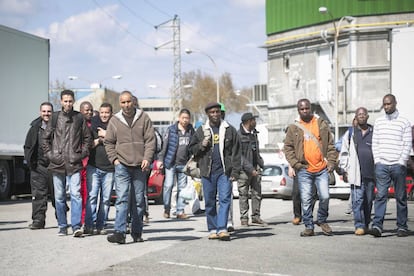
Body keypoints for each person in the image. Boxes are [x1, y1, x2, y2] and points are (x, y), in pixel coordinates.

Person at [105, 91, 156, 244]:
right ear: (120, 103)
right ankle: (119, 233)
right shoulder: (115, 120)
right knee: (122, 199)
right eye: (123, 102)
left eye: (128, 102)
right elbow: (108, 142)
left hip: (140, 166)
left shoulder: (144, 118)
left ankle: (137, 232)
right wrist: (114, 160)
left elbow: (150, 140)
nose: (126, 105)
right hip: (122, 166)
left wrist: (147, 158)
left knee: (139, 201)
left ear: (133, 102)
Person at [283, 98, 337, 237]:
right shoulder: (293, 127)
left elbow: (331, 145)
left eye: (307, 108)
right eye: (302, 109)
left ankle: (322, 219)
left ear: (311, 108)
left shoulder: (321, 124)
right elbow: (288, 148)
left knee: (325, 196)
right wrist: (295, 164)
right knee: (306, 200)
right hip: (304, 170)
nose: (305, 111)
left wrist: (331, 162)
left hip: (322, 168)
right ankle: (308, 226)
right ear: (298, 110)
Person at [42, 90, 92, 237]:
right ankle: (62, 226)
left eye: (70, 101)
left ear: (73, 101)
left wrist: (80, 154)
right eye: (65, 101)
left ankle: (76, 226)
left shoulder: (79, 118)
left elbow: (88, 139)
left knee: (76, 195)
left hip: (74, 163)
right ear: (61, 101)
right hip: (57, 163)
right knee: (59, 196)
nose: (68, 103)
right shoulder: (55, 117)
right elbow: (45, 139)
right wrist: (51, 155)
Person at [189, 102, 241, 241]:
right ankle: (212, 229)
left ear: (221, 113)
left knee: (224, 199)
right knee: (210, 201)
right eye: (212, 112)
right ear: (208, 114)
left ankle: (222, 228)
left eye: (217, 112)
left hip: (224, 171)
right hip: (207, 171)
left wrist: (235, 171)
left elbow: (236, 152)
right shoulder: (201, 131)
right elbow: (192, 149)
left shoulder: (229, 129)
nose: (215, 114)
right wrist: (201, 145)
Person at [370, 94, 412, 237]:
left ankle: (402, 227)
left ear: (395, 103)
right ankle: (377, 226)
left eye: (389, 104)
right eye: (385, 104)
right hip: (382, 165)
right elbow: (375, 143)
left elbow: (407, 144)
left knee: (400, 197)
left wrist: (401, 161)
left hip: (398, 165)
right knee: (381, 195)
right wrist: (378, 160)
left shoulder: (404, 122)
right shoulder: (379, 122)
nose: (386, 107)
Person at [338, 107, 375, 235]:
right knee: (357, 201)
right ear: (356, 116)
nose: (361, 116)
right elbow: (344, 152)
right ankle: (359, 225)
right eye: (359, 114)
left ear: (367, 116)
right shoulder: (351, 133)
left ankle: (366, 224)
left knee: (368, 201)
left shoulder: (374, 131)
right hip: (356, 173)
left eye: (363, 114)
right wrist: (344, 169)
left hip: (371, 173)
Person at [158, 108, 195, 219]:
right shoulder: (171, 130)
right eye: (183, 118)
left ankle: (180, 211)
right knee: (168, 186)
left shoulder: (191, 131)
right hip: (171, 163)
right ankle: (167, 208)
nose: (185, 120)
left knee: (182, 188)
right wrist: (160, 159)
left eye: (187, 118)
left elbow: (193, 147)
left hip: (184, 164)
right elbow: (164, 146)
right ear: (179, 118)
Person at [84, 103, 114, 235]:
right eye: (102, 112)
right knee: (92, 196)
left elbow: (119, 141)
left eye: (107, 112)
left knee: (106, 199)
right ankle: (89, 225)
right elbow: (88, 144)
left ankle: (101, 225)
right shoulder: (93, 124)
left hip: (110, 168)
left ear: (111, 113)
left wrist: (106, 135)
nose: (104, 115)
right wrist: (100, 140)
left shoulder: (115, 125)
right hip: (93, 167)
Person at [24, 102, 55, 229]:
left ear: (52, 113)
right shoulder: (34, 128)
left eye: (49, 111)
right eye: (44, 111)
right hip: (38, 167)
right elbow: (27, 146)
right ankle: (38, 221)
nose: (46, 114)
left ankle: (62, 221)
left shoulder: (58, 127)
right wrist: (30, 162)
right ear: (40, 112)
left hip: (55, 166)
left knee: (57, 195)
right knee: (38, 195)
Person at [237, 112, 266, 226]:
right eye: (254, 120)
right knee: (243, 194)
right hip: (244, 171)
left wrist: (261, 164)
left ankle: (256, 217)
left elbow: (256, 152)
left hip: (255, 169)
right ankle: (244, 218)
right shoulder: (238, 135)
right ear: (249, 121)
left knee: (257, 194)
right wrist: (250, 169)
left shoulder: (254, 135)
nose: (256, 122)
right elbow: (239, 156)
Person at [79, 101, 93, 227]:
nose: (89, 112)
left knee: (88, 194)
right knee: (79, 194)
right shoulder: (77, 124)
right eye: (86, 110)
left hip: (90, 164)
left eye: (91, 110)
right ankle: (79, 220)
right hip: (79, 164)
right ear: (81, 110)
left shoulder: (93, 124)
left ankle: (85, 220)